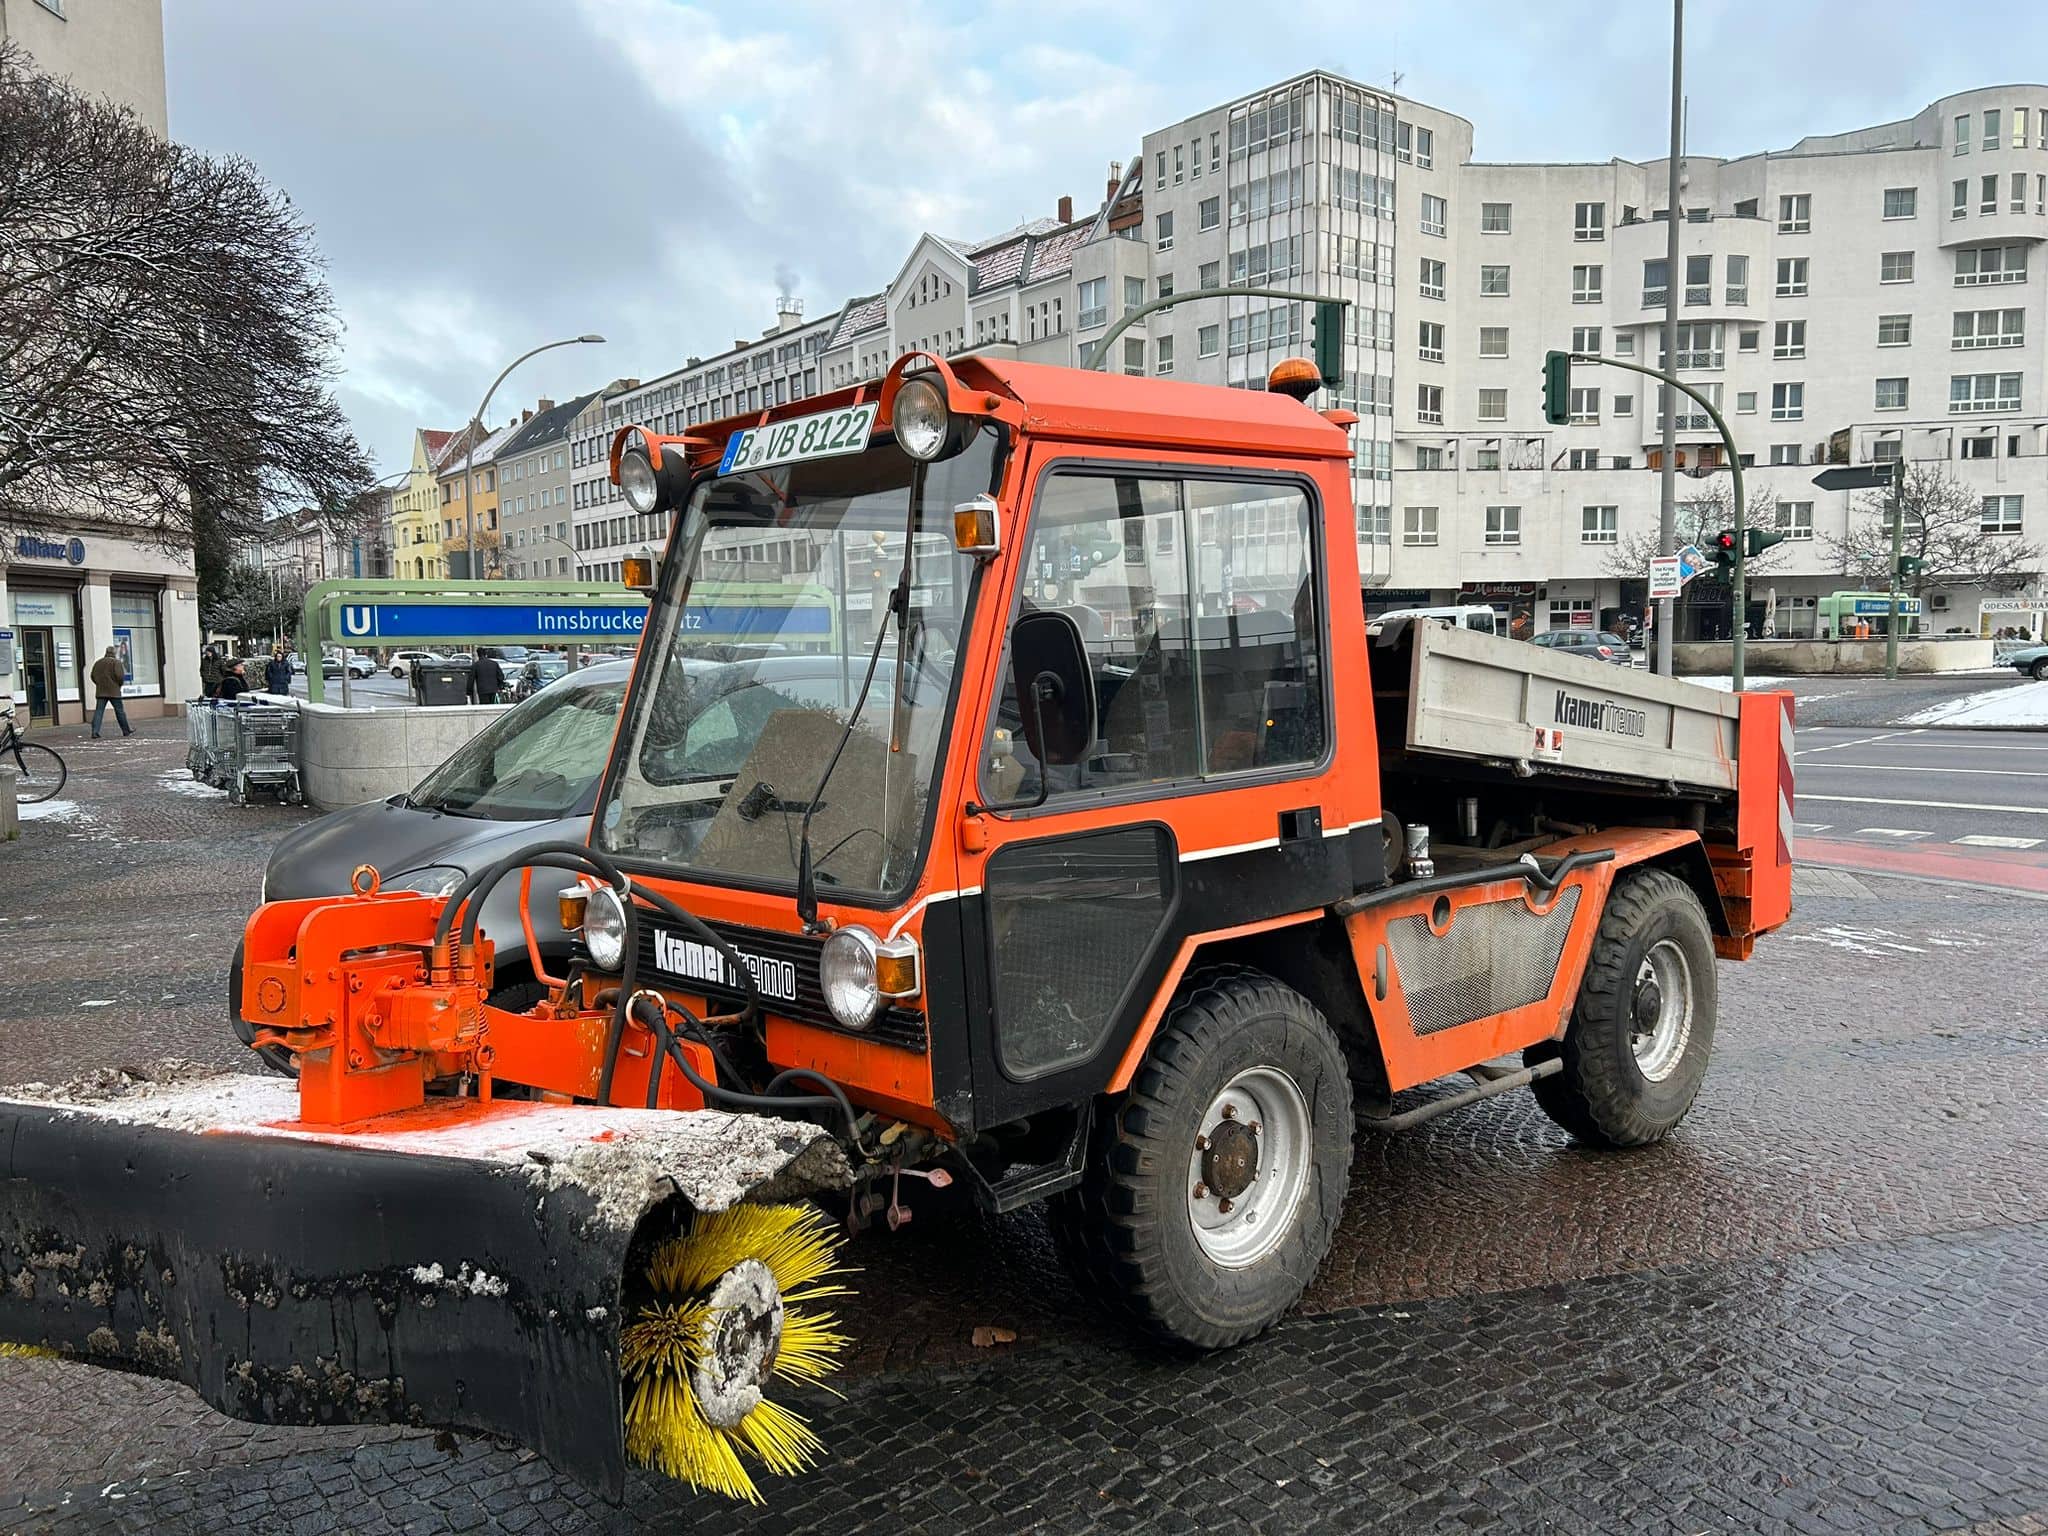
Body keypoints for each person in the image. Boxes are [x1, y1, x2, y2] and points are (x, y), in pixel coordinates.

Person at [89, 645, 133, 739]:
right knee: (119, 711)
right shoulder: (116, 662)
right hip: (114, 691)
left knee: (99, 711)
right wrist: (118, 685)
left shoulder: (98, 663)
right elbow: (120, 676)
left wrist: (99, 684)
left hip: (101, 691)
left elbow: (92, 676)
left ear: (106, 652)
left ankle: (95, 732)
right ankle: (126, 730)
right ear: (114, 653)